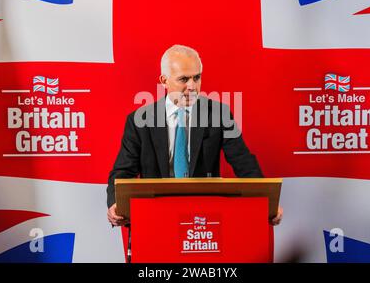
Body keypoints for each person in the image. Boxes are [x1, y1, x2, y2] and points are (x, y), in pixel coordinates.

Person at [107, 44, 283, 226]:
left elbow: (244, 163)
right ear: (164, 80)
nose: (192, 86)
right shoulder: (139, 120)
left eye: (197, 78)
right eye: (184, 79)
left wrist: (268, 202)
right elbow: (123, 172)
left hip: (205, 218)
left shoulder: (218, 114)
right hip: (156, 216)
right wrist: (115, 203)